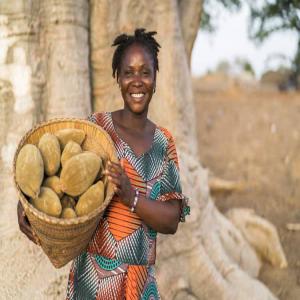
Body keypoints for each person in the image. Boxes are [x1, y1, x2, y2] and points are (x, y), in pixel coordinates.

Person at [18, 28, 189, 299]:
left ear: (155, 79)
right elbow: (56, 177)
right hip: (93, 280)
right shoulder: (97, 128)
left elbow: (172, 219)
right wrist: (27, 206)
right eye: (128, 72)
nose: (137, 81)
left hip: (139, 284)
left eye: (145, 72)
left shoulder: (163, 142)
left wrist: (132, 197)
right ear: (117, 78)